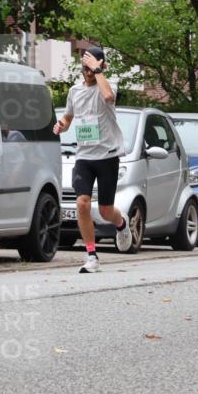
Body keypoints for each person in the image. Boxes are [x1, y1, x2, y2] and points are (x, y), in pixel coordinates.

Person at [53, 46, 131, 273]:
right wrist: (61, 125)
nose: (89, 72)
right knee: (82, 203)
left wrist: (99, 71)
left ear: (101, 66)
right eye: (86, 68)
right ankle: (91, 255)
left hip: (107, 156)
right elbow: (68, 117)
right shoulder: (74, 91)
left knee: (106, 211)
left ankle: (122, 224)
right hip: (85, 156)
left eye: (93, 67)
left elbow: (108, 96)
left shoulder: (107, 84)